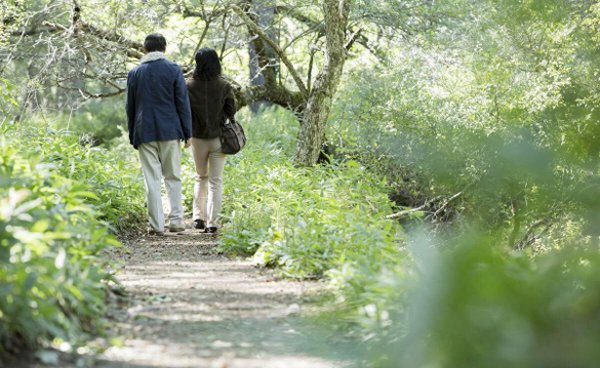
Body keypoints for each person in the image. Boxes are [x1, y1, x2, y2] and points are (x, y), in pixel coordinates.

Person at [126, 33, 192, 235]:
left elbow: (130, 107)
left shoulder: (135, 72)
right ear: (164, 49)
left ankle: (156, 225)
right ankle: (177, 221)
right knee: (173, 176)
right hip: (171, 130)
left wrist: (132, 134)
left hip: (144, 131)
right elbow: (182, 102)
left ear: (145, 50)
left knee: (152, 179)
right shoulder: (173, 69)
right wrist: (188, 132)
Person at [186, 48, 236, 233]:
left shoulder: (188, 85)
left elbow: (185, 111)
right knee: (216, 181)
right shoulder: (224, 85)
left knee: (201, 177)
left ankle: (198, 217)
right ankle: (213, 223)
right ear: (216, 63)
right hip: (218, 138)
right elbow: (231, 110)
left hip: (198, 138)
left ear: (198, 63)